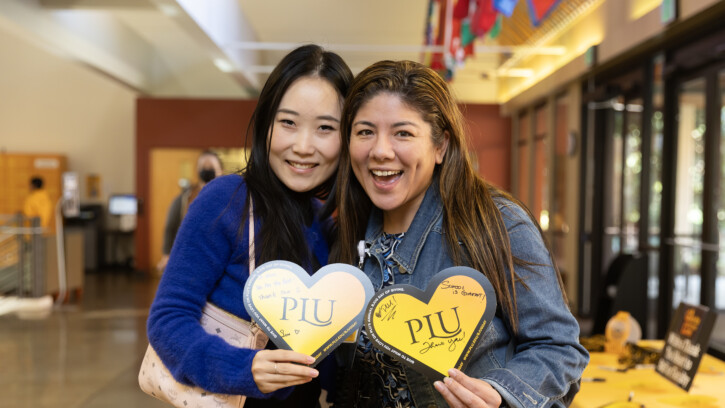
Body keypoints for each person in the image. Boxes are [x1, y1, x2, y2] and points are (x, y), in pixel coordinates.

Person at [330, 60, 589, 407]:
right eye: (365, 132)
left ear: (440, 146)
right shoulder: (351, 233)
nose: (380, 150)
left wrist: (499, 393)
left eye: (403, 133)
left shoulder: (495, 222)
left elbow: (558, 347)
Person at [146, 44, 353, 407]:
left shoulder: (326, 220)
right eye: (288, 123)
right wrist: (243, 367)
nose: (304, 146)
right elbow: (168, 319)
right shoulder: (226, 200)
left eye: (325, 128)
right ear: (266, 124)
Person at [156, 150, 224, 272]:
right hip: (191, 257)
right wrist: (166, 254)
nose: (207, 170)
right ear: (197, 171)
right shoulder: (185, 198)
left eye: (211, 167)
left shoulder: (230, 197)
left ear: (220, 170)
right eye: (203, 167)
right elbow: (170, 226)